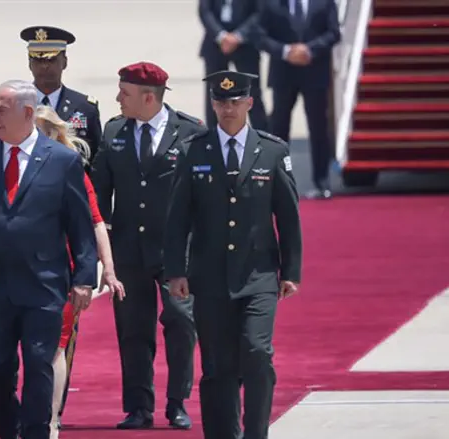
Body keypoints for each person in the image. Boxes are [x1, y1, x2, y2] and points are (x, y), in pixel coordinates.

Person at [0, 80, 98, 439]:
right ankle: (12, 430)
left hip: (44, 284)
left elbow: (80, 225)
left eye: (2, 109)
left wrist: (85, 277)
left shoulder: (62, 161)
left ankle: (35, 433)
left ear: (27, 114)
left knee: (39, 365)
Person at [163, 71, 302, 439]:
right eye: (222, 102)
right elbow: (178, 217)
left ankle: (256, 433)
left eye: (235, 102)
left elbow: (287, 216)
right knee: (217, 365)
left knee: (257, 354)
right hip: (209, 277)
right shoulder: (195, 150)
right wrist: (176, 271)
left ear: (249, 104)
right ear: (212, 104)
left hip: (258, 275)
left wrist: (291, 271)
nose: (228, 109)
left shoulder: (272, 150)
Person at [91, 62, 204, 430]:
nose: (117, 99)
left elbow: (202, 197)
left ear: (148, 97)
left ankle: (177, 402)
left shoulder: (189, 132)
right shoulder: (114, 131)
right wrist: (100, 247)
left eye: (124, 93)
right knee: (133, 330)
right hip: (129, 249)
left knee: (181, 322)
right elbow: (100, 197)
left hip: (176, 252)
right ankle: (138, 407)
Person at [34, 104, 125, 439]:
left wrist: (109, 270)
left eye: (42, 130)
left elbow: (97, 222)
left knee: (56, 346)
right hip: (16, 269)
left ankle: (51, 420)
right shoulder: (6, 165)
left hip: (61, 270)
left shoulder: (71, 170)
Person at [257, 0, 341, 199]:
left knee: (318, 127)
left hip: (315, 71)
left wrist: (310, 49)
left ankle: (322, 182)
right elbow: (259, 35)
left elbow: (334, 32)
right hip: (283, 73)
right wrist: (286, 51)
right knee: (279, 128)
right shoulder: (273, 4)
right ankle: (276, 181)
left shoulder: (324, 3)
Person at [0, 26, 103, 167]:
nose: (44, 67)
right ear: (29, 64)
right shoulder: (11, 103)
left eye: (51, 60)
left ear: (64, 62)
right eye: (37, 60)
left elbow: (96, 161)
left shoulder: (85, 107)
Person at [198, 0, 268, 130]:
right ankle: (214, 135)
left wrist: (239, 36)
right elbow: (205, 11)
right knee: (214, 91)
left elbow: (259, 12)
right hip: (216, 43)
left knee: (252, 91)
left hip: (246, 44)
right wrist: (221, 35)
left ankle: (262, 135)